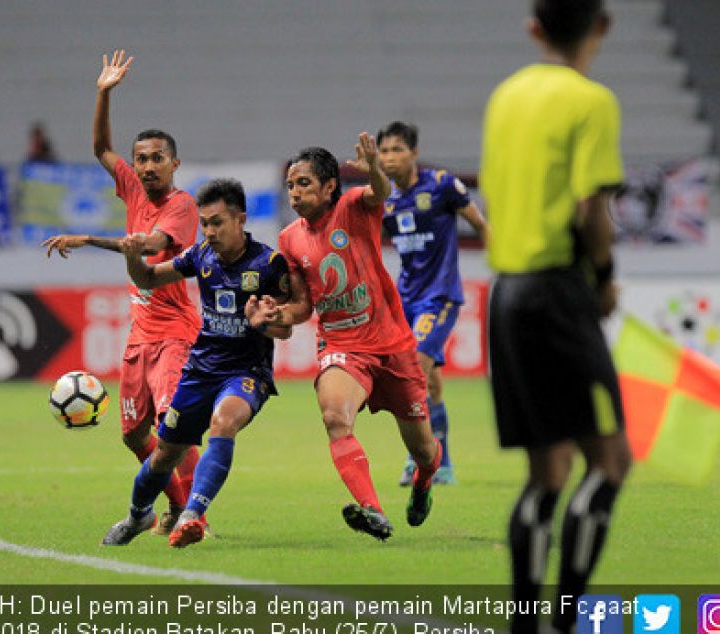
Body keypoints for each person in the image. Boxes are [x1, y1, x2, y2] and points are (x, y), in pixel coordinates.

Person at [480, 1, 631, 632]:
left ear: (534, 28)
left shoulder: (505, 98)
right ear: (602, 26)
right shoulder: (591, 101)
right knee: (609, 461)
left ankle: (527, 624)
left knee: (546, 472)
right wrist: (602, 278)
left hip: (506, 293)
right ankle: (564, 620)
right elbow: (590, 209)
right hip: (558, 293)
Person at [41, 50, 203, 536]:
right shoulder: (132, 189)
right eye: (141, 159)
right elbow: (99, 148)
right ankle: (165, 509)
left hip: (175, 333)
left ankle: (193, 513)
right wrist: (103, 92)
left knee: (173, 427)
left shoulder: (182, 206)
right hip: (141, 334)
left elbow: (152, 247)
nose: (148, 167)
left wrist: (87, 238)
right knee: (134, 434)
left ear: (175, 163)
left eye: (158, 159)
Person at [254, 138, 442, 541]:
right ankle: (373, 510)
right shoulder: (289, 238)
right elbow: (303, 307)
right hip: (342, 347)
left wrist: (374, 165)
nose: (295, 192)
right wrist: (275, 314)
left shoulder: (354, 206)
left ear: (328, 188)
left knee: (425, 451)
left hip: (393, 346)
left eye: (304, 183)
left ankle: (424, 481)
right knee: (335, 417)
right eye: (290, 185)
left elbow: (382, 191)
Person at [101, 178, 291, 549]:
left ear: (240, 219)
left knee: (224, 423)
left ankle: (191, 515)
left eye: (217, 222)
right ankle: (138, 515)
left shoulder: (268, 264)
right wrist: (131, 257)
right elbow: (148, 278)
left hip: (246, 373)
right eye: (204, 223)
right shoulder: (200, 255)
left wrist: (266, 322)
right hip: (201, 370)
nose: (209, 231)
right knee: (163, 456)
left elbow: (286, 328)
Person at [373, 121, 488, 486]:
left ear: (414, 153)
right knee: (432, 384)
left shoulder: (441, 185)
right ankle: (446, 464)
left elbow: (481, 225)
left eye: (396, 150)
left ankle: (417, 458)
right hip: (405, 301)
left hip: (439, 297)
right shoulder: (387, 201)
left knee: (415, 372)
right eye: (384, 151)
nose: (389, 158)